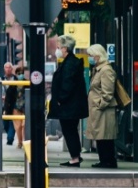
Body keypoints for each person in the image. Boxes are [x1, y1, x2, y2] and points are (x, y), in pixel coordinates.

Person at [48, 34, 89, 167]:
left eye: (59, 47)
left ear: (65, 48)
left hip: (68, 105)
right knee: (70, 130)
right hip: (71, 105)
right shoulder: (70, 62)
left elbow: (67, 84)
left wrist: (60, 99)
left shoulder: (70, 63)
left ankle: (75, 158)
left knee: (69, 130)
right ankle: (75, 156)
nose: (57, 50)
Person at [85, 44, 120, 168]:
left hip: (103, 110)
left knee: (104, 137)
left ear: (97, 56)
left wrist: (100, 105)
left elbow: (108, 92)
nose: (89, 57)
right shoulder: (98, 69)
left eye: (90, 55)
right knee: (100, 137)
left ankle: (108, 161)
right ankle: (104, 160)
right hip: (98, 109)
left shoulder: (106, 70)